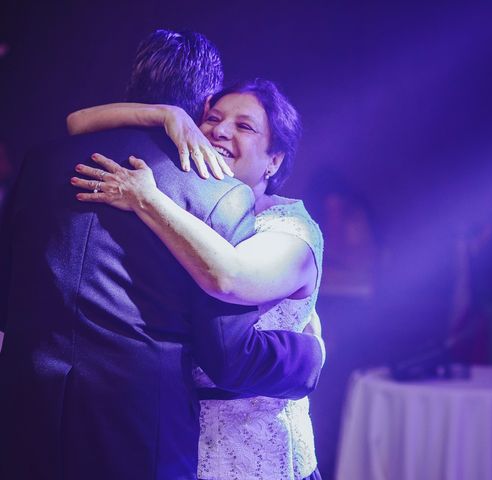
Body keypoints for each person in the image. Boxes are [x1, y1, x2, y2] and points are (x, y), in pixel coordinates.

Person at [0, 30, 324, 480]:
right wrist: (308, 357)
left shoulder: (42, 162)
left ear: (275, 160)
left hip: (29, 406)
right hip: (145, 424)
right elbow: (226, 351)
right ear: (199, 108)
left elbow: (228, 277)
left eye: (244, 126)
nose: (220, 130)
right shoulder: (217, 195)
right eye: (214, 117)